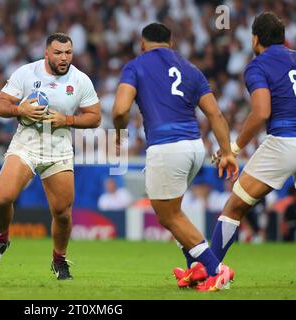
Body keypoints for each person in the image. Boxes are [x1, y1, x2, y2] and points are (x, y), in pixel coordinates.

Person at [112, 23, 239, 291]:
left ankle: (216, 269)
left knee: (168, 216)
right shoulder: (190, 68)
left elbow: (120, 109)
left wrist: (120, 131)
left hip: (167, 147)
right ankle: (196, 268)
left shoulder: (135, 65)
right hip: (194, 147)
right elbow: (215, 114)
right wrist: (227, 151)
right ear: (171, 42)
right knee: (174, 212)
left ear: (142, 43)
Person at [0, 33, 101, 280]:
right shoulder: (26, 73)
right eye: (58, 53)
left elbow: (95, 117)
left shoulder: (80, 80)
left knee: (62, 213)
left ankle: (59, 260)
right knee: (3, 199)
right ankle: (0, 241)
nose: (64, 58)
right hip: (26, 143)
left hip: (58, 147)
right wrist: (19, 109)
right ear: (46, 53)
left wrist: (67, 120)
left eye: (68, 52)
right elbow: (0, 106)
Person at [210, 12, 296, 263]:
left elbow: (261, 113)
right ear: (284, 39)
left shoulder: (258, 65)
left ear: (255, 38)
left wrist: (233, 149)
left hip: (284, 140)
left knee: (235, 207)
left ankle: (211, 271)